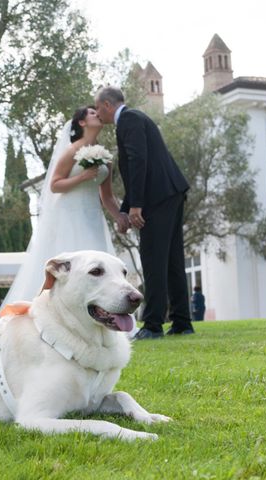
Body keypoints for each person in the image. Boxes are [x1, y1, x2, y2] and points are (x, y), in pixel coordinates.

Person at [0, 106, 127, 308]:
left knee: (97, 263)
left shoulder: (105, 156)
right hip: (69, 215)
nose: (98, 115)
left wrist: (120, 217)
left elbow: (107, 196)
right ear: (82, 122)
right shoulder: (72, 150)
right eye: (92, 113)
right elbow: (54, 185)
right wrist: (83, 177)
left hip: (93, 217)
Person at [95, 86, 194, 339]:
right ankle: (182, 321)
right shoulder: (135, 119)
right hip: (168, 193)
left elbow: (139, 161)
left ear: (107, 104)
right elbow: (137, 168)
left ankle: (152, 325)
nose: (98, 114)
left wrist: (137, 205)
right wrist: (127, 208)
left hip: (157, 198)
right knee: (171, 260)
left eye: (98, 108)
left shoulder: (129, 120)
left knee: (153, 260)